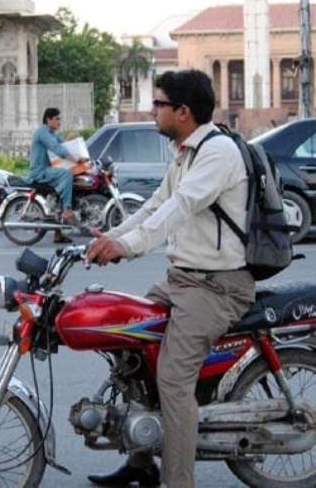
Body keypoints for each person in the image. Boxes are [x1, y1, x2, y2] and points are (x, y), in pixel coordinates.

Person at [86, 70, 256, 488]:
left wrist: (130, 247)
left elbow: (180, 207)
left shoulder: (218, 154)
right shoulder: (186, 152)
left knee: (173, 379)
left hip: (217, 287)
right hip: (182, 281)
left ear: (183, 112)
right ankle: (142, 463)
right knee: (129, 352)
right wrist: (114, 237)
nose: (152, 110)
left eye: (159, 104)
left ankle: (179, 482)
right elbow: (154, 205)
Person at [28, 107, 83, 244]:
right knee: (66, 175)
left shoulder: (52, 133)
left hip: (49, 169)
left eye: (59, 119)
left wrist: (78, 149)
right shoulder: (43, 132)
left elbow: (64, 144)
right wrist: (74, 159)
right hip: (40, 170)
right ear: (48, 119)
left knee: (68, 185)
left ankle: (58, 234)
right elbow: (57, 149)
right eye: (57, 119)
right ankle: (67, 210)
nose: (59, 121)